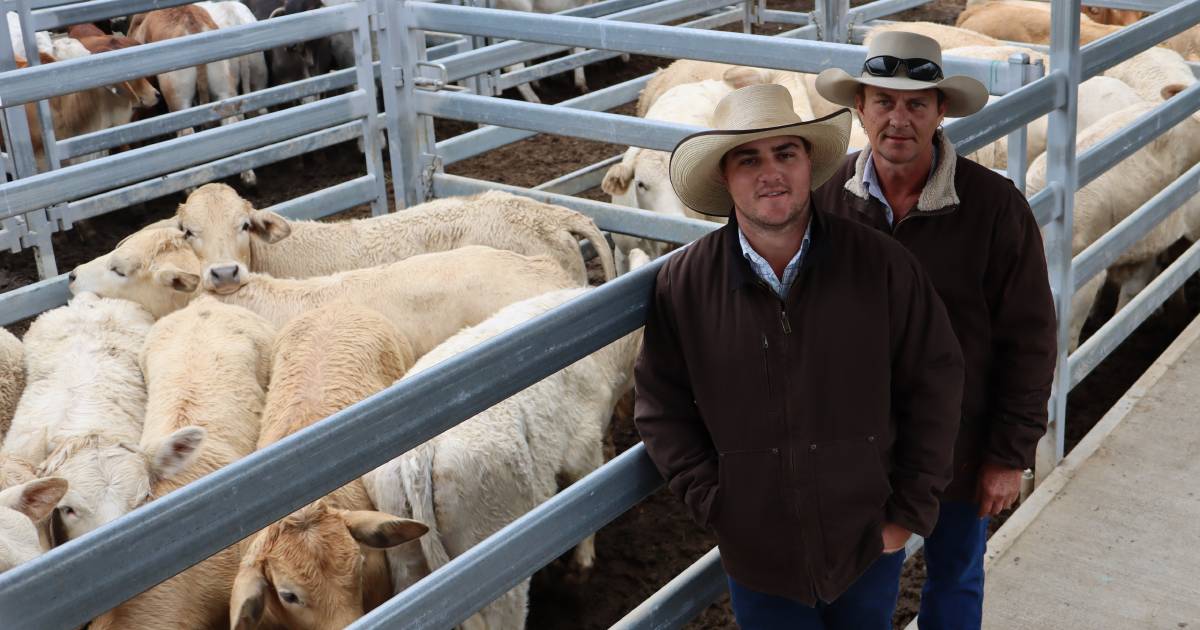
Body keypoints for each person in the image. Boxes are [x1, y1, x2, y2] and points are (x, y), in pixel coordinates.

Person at [633, 83, 965, 629]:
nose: (771, 173)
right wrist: (718, 504)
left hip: (867, 542)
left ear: (809, 162)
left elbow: (936, 380)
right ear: (724, 175)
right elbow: (662, 406)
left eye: (785, 153)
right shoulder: (685, 285)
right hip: (759, 557)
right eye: (749, 159)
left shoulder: (881, 266)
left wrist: (906, 512)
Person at [813, 31, 1058, 630]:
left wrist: (1008, 453)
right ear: (860, 109)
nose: (899, 119)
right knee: (862, 587)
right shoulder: (825, 202)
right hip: (861, 448)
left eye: (916, 103)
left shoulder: (995, 208)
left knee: (954, 575)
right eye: (883, 102)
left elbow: (1029, 340)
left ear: (940, 110)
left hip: (961, 442)